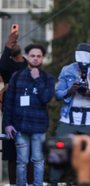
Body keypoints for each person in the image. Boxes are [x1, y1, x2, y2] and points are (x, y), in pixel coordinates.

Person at [49, 43, 90, 185]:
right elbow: (57, 93)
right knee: (58, 154)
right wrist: (69, 91)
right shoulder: (67, 70)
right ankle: (53, 182)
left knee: (88, 159)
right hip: (68, 119)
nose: (82, 66)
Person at [3, 44, 55, 186]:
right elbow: (8, 102)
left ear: (43, 58)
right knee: (21, 161)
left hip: (38, 128)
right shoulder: (16, 76)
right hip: (20, 126)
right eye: (32, 56)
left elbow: (46, 98)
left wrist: (37, 79)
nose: (36, 59)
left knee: (38, 160)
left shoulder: (47, 78)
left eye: (39, 56)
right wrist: (7, 124)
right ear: (26, 57)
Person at [0, 28, 32, 186]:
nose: (14, 45)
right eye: (10, 45)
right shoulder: (7, 65)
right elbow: (1, 67)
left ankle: (31, 183)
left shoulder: (28, 64)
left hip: (28, 114)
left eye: (14, 43)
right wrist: (7, 46)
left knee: (32, 152)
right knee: (11, 154)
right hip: (11, 113)